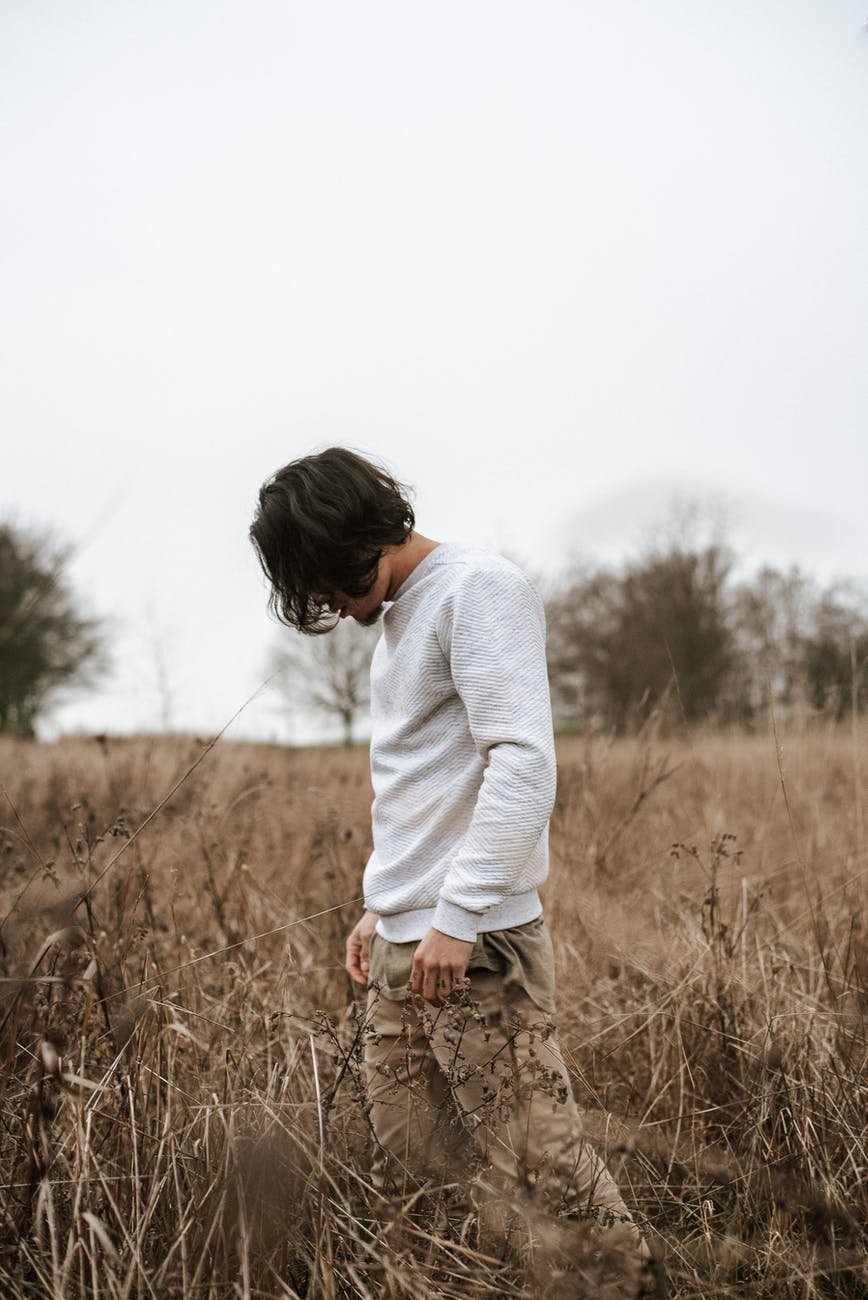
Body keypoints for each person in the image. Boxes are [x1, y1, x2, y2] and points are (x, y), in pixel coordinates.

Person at [250, 447, 667, 1298]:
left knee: (541, 1156)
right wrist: (387, 907)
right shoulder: (406, 612)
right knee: (415, 1164)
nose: (324, 600)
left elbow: (522, 765)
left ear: (354, 534)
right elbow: (427, 784)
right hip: (415, 940)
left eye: (324, 578)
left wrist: (459, 913)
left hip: (472, 945)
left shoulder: (480, 588)